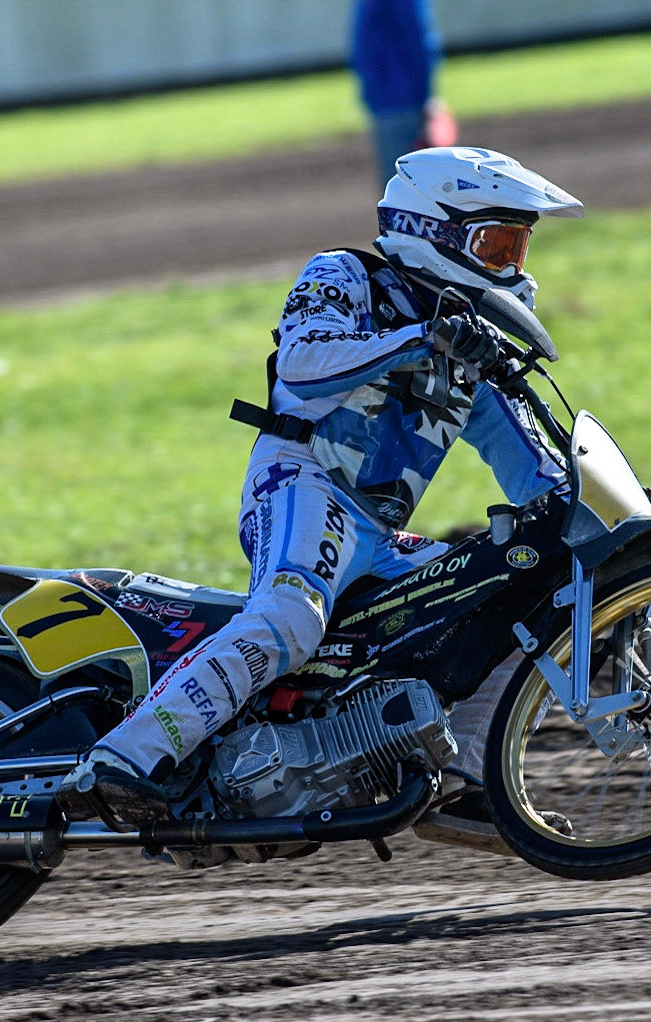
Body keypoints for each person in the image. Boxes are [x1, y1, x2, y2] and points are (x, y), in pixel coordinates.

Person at [71, 147, 584, 828]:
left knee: (511, 596)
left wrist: (615, 518)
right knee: (292, 618)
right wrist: (422, 338)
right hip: (302, 478)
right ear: (432, 229)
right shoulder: (347, 274)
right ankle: (121, 759)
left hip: (377, 529)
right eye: (495, 245)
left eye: (519, 247)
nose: (512, 268)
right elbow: (304, 363)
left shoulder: (468, 345)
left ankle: (467, 782)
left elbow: (536, 471)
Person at [351, 0, 448, 182]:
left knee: (400, 186)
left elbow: (415, 43)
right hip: (398, 101)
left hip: (392, 100)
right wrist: (428, 97)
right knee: (405, 186)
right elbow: (418, 42)